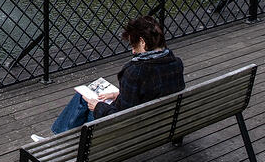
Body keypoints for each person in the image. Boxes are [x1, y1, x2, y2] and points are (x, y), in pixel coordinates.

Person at [32, 15, 184, 140]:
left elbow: (122, 119)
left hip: (132, 132)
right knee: (92, 99)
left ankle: (63, 146)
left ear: (143, 43)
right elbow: (156, 91)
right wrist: (119, 94)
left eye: (133, 45)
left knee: (84, 99)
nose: (132, 51)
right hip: (160, 124)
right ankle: (63, 143)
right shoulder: (176, 63)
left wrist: (98, 107)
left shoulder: (135, 71)